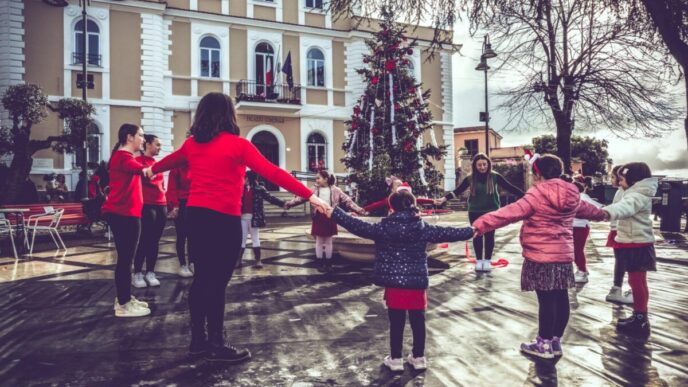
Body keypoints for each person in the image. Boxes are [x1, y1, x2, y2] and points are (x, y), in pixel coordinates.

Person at [150, 92, 329, 363]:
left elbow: (168, 162)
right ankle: (217, 344)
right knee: (218, 284)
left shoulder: (191, 145)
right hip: (224, 220)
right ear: (228, 115)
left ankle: (198, 341)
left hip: (196, 217)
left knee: (201, 280)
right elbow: (273, 172)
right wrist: (311, 195)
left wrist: (149, 170)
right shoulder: (238, 145)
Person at [472, 154, 607, 359]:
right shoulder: (572, 193)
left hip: (541, 256)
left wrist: (478, 226)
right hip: (563, 255)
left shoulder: (537, 194)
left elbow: (508, 213)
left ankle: (543, 343)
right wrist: (607, 214)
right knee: (561, 297)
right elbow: (591, 211)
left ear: (538, 173)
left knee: (546, 301)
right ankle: (555, 342)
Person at [326, 189, 474, 372]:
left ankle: (395, 359)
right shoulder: (422, 227)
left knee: (396, 322)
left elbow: (358, 226)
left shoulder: (384, 227)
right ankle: (418, 357)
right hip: (416, 284)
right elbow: (448, 233)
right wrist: (471, 231)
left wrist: (334, 213)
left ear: (392, 207)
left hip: (394, 284)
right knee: (418, 321)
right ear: (413, 204)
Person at [434, 153, 524, 272]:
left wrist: (526, 196)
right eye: (479, 165)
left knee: (489, 236)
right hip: (474, 211)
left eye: (484, 164)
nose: (482, 167)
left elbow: (510, 187)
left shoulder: (495, 176)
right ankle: (479, 261)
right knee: (477, 236)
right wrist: (444, 199)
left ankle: (486, 261)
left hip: (491, 210)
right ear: (475, 166)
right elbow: (458, 191)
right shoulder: (470, 178)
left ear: (488, 164)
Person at [601, 162, 657, 337]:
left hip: (637, 244)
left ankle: (641, 320)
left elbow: (624, 208)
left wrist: (603, 213)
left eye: (622, 178)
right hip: (635, 242)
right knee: (636, 282)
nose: (619, 181)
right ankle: (639, 316)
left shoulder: (636, 195)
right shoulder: (633, 192)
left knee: (637, 282)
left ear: (633, 180)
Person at [102, 123, 152, 318]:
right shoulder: (123, 157)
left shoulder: (125, 157)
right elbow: (145, 171)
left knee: (126, 259)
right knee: (125, 261)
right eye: (141, 135)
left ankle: (124, 298)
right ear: (129, 137)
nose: (143, 139)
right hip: (124, 215)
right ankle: (123, 305)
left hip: (126, 214)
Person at [284, 170, 367, 273]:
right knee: (319, 241)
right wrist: (289, 204)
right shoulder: (314, 189)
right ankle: (319, 263)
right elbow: (302, 197)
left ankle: (328, 263)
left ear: (326, 179)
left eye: (318, 178)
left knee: (328, 241)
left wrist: (359, 209)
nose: (316, 180)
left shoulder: (336, 190)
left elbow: (347, 201)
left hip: (331, 216)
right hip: (318, 217)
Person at [132, 134, 167, 288]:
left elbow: (162, 185)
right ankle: (138, 273)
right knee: (144, 239)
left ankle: (151, 272)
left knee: (155, 241)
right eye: (157, 144)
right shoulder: (137, 163)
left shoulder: (157, 163)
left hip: (161, 204)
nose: (159, 147)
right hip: (147, 205)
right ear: (147, 145)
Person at [237, 170, 286, 268]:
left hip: (254, 218)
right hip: (242, 218)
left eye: (245, 177)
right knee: (242, 239)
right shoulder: (240, 188)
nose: (243, 179)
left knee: (255, 238)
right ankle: (239, 260)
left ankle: (258, 261)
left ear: (249, 178)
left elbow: (270, 198)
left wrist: (283, 204)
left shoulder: (259, 188)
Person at [604, 165, 634, 304]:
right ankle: (619, 288)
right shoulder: (621, 191)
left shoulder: (625, 192)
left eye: (614, 177)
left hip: (621, 230)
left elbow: (620, 210)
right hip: (618, 229)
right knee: (621, 261)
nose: (612, 180)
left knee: (623, 261)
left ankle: (625, 290)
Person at [572, 178, 603, 283]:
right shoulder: (578, 196)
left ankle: (582, 271)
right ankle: (582, 269)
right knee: (575, 250)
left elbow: (598, 207)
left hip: (580, 227)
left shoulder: (583, 197)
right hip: (575, 227)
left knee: (577, 250)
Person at [167, 163, 193, 278]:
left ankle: (192, 262)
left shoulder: (195, 166)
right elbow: (172, 188)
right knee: (182, 235)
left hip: (194, 203)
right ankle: (183, 264)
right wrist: (174, 206)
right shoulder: (176, 168)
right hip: (181, 204)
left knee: (194, 236)